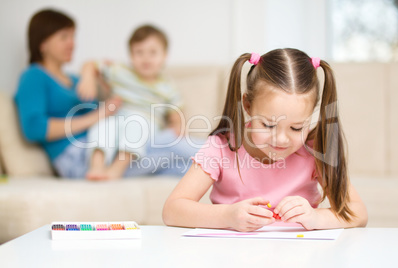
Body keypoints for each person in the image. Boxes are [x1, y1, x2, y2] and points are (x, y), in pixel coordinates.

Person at [163, 49, 368, 232]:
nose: (281, 139)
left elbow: (358, 213)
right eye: (268, 125)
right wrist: (227, 216)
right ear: (248, 106)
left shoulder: (315, 150)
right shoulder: (221, 147)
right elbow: (172, 210)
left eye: (297, 127)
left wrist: (317, 217)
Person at [78, 25, 201, 181]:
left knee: (135, 125)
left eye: (153, 52)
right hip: (117, 118)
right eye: (139, 52)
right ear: (131, 55)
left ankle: (117, 168)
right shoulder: (120, 71)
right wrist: (87, 77)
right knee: (102, 126)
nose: (146, 58)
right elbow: (90, 64)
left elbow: (176, 112)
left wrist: (178, 124)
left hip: (146, 124)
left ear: (164, 56)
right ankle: (97, 165)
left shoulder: (167, 86)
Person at [14, 9, 121, 179]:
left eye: (73, 37)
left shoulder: (76, 80)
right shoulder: (34, 75)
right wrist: (97, 117)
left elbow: (109, 109)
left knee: (166, 152)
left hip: (103, 143)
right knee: (168, 154)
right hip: (74, 155)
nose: (72, 44)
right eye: (64, 37)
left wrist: (92, 73)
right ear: (42, 43)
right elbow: (34, 128)